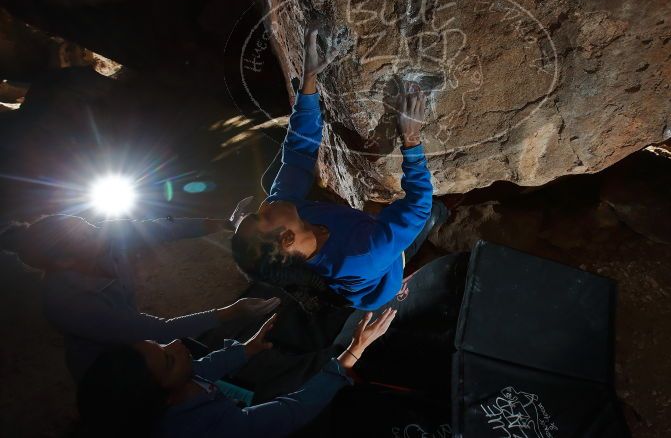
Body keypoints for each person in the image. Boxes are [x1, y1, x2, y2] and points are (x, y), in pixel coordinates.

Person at [231, 26, 448, 311]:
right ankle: (430, 237)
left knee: (273, 178)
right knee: (432, 213)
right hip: (382, 277)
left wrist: (309, 80)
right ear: (287, 238)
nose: (265, 204)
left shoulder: (283, 207)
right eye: (263, 216)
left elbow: (297, 152)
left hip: (358, 236)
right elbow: (418, 205)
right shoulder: (362, 255)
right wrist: (411, 139)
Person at [0, 214, 277, 381]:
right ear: (64, 261)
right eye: (84, 234)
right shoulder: (68, 304)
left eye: (86, 222)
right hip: (109, 368)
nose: (97, 229)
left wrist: (216, 223)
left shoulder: (100, 239)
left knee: (195, 363)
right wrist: (232, 312)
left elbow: (157, 228)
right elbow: (158, 328)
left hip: (138, 340)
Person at [78, 308, 397, 437]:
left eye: (160, 344)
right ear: (164, 401)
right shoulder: (210, 428)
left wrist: (246, 349)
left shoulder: (172, 392)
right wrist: (352, 353)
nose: (176, 343)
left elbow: (203, 368)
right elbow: (290, 412)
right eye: (168, 359)